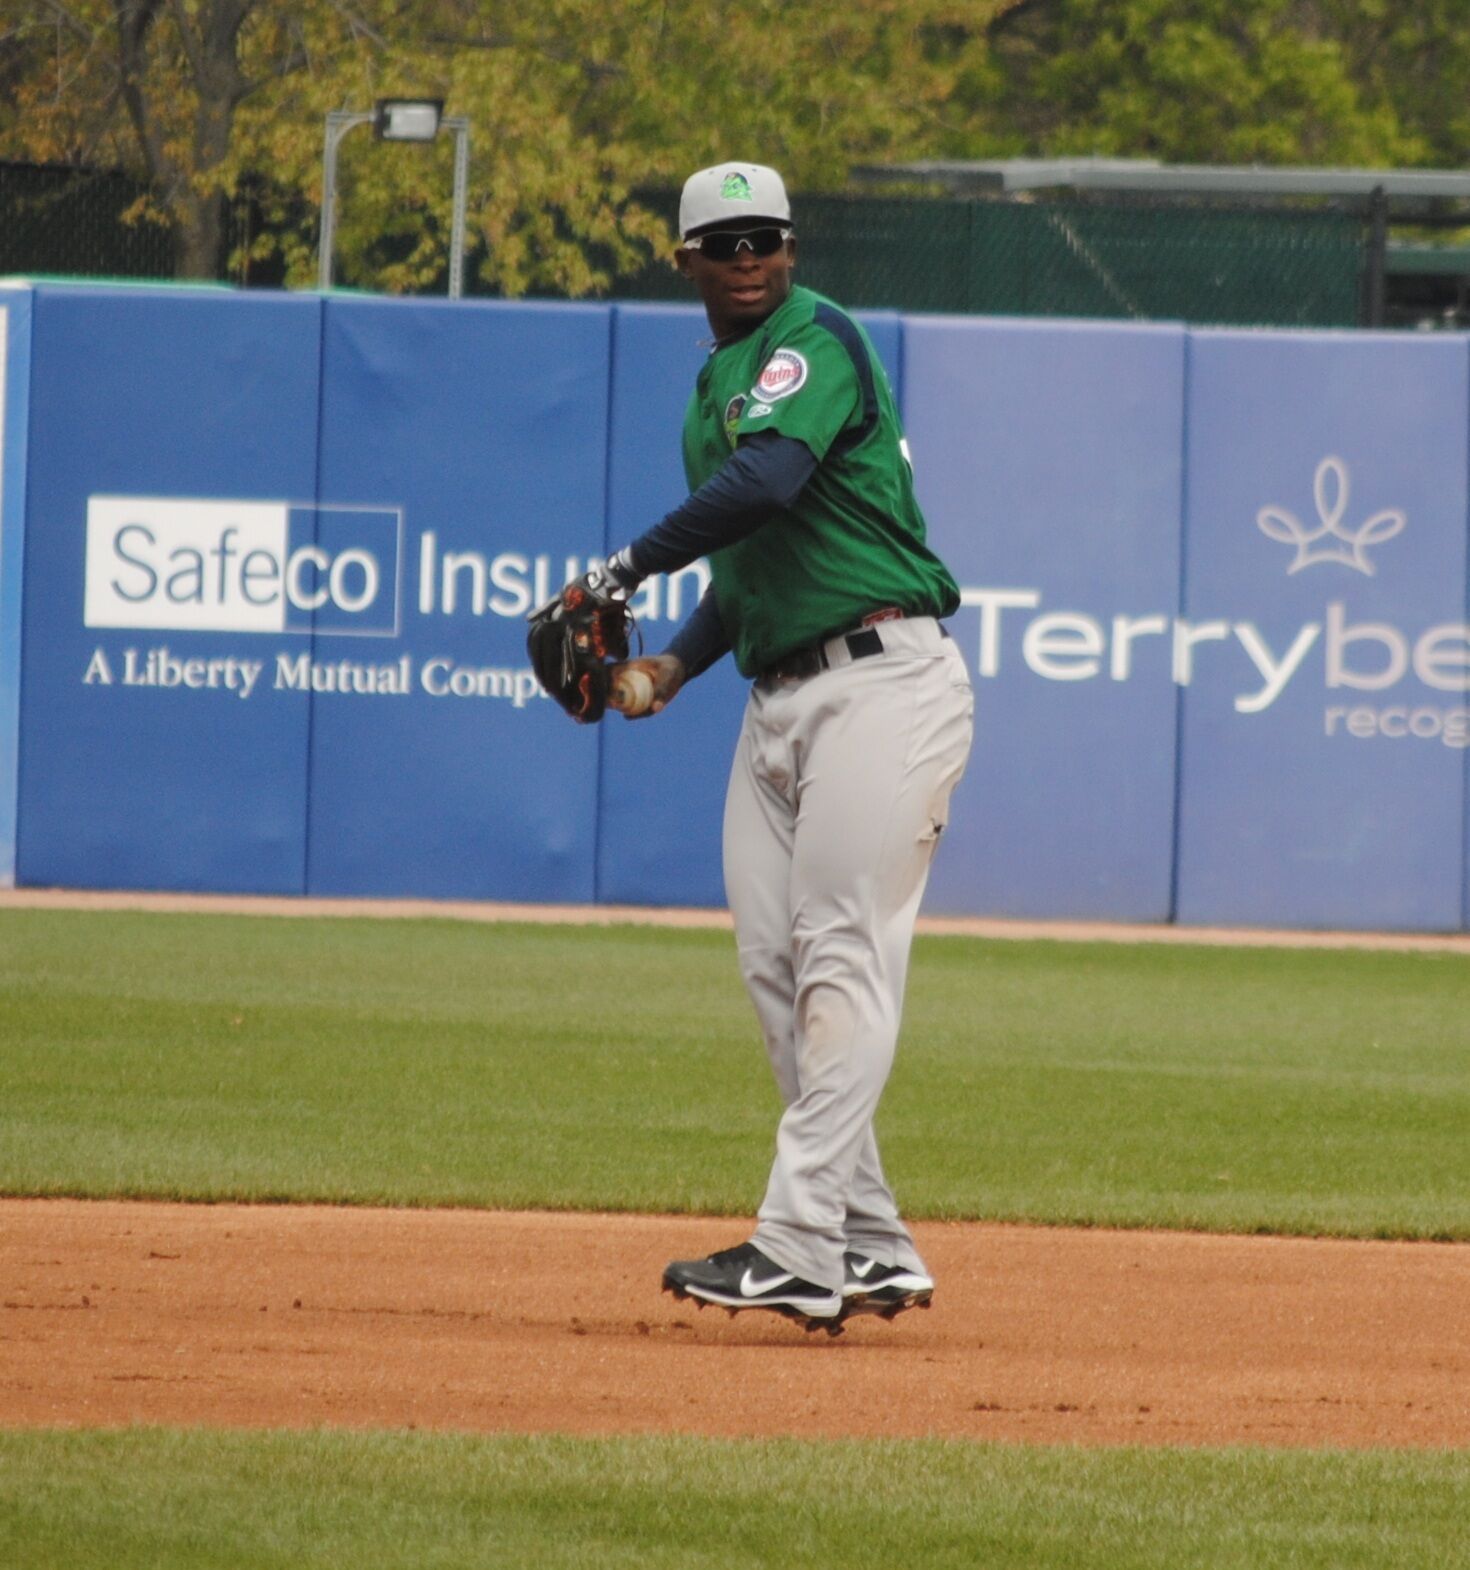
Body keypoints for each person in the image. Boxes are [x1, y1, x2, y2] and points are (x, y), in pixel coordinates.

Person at [565, 160, 974, 1331]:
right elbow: (749, 561)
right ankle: (870, 1240)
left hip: (884, 684)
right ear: (684, 259)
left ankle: (797, 1245)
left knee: (842, 953)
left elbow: (772, 477)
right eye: (725, 241)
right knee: (776, 970)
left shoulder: (816, 339)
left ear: (790, 250)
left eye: (767, 238)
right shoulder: (715, 385)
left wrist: (620, 569)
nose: (749, 257)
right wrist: (666, 668)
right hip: (777, 698)